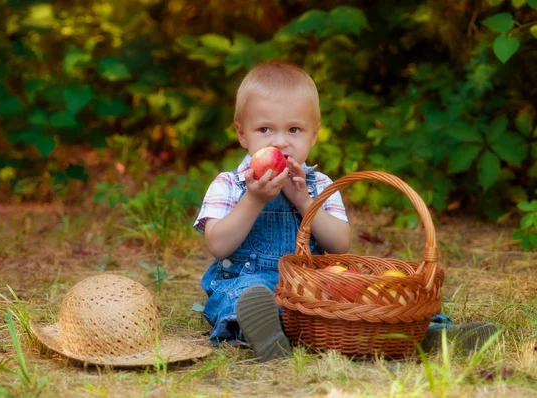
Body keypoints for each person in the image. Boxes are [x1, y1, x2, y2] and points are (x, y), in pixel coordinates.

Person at [193, 61, 497, 361]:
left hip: (310, 288)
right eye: (265, 129)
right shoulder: (230, 185)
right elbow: (219, 245)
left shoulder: (320, 185)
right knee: (243, 298)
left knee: (369, 297)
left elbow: (340, 244)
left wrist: (305, 202)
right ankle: (264, 334)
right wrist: (253, 200)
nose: (281, 142)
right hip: (250, 281)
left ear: (313, 136)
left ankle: (429, 332)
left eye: (294, 129)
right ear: (243, 134)